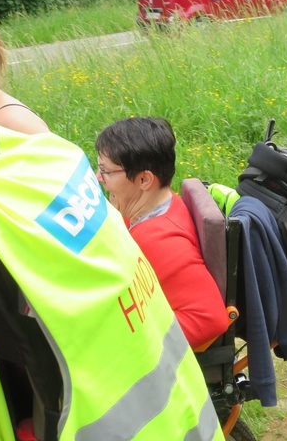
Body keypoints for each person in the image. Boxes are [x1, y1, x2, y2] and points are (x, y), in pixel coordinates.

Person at [95, 116, 229, 349]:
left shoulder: (160, 240)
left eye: (105, 171)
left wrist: (127, 338)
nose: (99, 178)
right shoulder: (159, 205)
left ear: (144, 179)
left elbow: (210, 319)